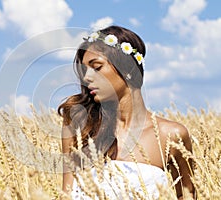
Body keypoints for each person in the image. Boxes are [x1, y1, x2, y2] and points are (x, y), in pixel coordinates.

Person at [58, 25, 195, 199]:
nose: (87, 77)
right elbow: (66, 195)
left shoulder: (171, 135)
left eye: (97, 67)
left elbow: (187, 194)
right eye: (85, 70)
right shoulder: (79, 127)